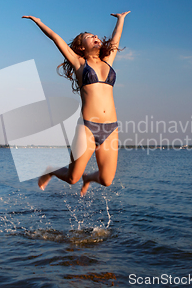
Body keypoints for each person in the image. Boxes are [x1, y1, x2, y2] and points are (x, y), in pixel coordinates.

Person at [22, 11, 130, 196]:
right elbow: (56, 39)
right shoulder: (79, 64)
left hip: (111, 128)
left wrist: (120, 19)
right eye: (90, 37)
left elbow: (116, 39)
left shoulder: (108, 61)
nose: (96, 37)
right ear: (81, 47)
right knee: (72, 179)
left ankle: (89, 178)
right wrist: (38, 22)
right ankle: (52, 170)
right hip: (88, 127)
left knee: (107, 181)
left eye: (96, 36)